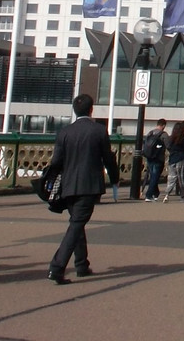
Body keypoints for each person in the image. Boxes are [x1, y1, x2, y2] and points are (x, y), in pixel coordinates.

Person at [46, 94, 119, 284]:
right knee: (76, 225)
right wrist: (114, 178)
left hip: (68, 184)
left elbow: (56, 162)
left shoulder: (65, 132)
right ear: (91, 109)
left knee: (77, 222)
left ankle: (81, 265)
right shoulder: (99, 131)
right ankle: (57, 267)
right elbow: (108, 159)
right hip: (89, 184)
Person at [163, 121, 184, 202]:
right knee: (181, 178)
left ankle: (166, 195)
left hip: (172, 159)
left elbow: (168, 147)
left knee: (171, 178)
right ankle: (182, 197)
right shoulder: (183, 139)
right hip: (181, 159)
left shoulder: (170, 138)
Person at [142, 119, 169, 201]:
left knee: (153, 175)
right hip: (159, 157)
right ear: (163, 125)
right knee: (155, 176)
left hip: (149, 156)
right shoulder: (164, 134)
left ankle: (156, 193)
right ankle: (148, 195)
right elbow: (168, 145)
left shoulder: (150, 133)